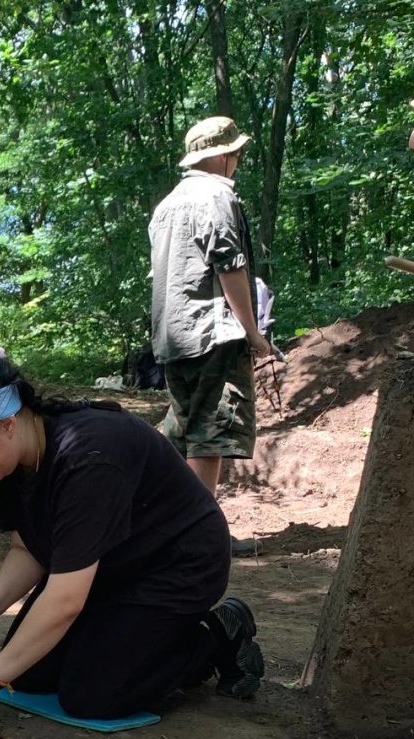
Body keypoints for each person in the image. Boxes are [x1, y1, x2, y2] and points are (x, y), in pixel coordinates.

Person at [0, 355, 265, 723]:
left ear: (7, 425)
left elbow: (65, 601)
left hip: (176, 565)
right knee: (30, 676)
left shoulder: (88, 457)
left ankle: (215, 636)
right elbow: (29, 547)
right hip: (107, 562)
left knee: (92, 696)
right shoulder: (5, 461)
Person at [149, 116, 280, 557]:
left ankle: (163, 525)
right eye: (237, 153)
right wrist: (253, 331)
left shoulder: (168, 203)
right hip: (213, 335)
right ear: (222, 156)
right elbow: (230, 265)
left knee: (182, 435)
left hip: (173, 338)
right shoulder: (217, 196)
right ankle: (198, 538)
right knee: (210, 437)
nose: (238, 161)